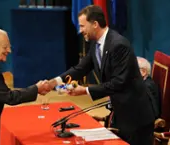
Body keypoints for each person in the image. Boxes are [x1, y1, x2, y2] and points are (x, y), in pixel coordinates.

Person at [47, 5, 155, 145]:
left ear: (95, 24)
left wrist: (85, 91)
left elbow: (118, 83)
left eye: (82, 26)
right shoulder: (96, 44)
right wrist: (54, 82)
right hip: (120, 115)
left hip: (135, 118)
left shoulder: (118, 45)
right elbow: (80, 68)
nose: (80, 31)